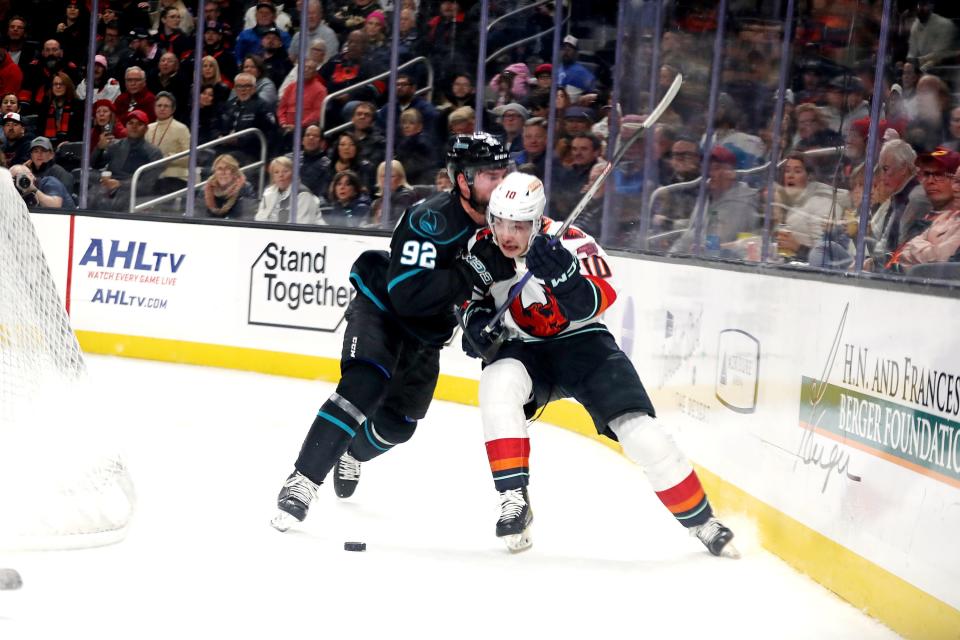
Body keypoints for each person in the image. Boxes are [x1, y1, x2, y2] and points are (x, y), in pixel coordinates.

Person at [458, 172, 737, 557]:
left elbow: (598, 301)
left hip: (583, 346)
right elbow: (470, 302)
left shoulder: (574, 243)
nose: (507, 234)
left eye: (518, 225)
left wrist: (566, 278)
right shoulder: (480, 248)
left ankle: (703, 521)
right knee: (497, 384)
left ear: (538, 221)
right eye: (500, 222)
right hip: (524, 349)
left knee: (641, 432)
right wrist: (475, 326)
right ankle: (513, 500)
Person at [270, 133, 514, 533]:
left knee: (398, 426)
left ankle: (351, 452)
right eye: (490, 175)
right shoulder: (431, 218)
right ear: (463, 180)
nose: (500, 184)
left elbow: (486, 297)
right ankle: (302, 480)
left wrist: (479, 322)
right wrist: (470, 272)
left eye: (503, 174)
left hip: (427, 336)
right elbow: (409, 297)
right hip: (384, 309)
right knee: (364, 384)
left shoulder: (503, 229)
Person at [146, 92, 191, 198]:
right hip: (151, 176)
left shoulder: (181, 128)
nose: (162, 108)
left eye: (166, 106)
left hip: (175, 176)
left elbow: (190, 156)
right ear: (154, 108)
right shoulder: (148, 128)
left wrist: (169, 158)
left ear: (173, 109)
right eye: (159, 105)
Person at [255, 155, 322, 224]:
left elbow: (302, 224)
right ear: (273, 176)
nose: (280, 175)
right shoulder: (268, 192)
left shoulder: (303, 194)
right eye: (276, 172)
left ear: (293, 174)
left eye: (285, 171)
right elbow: (259, 218)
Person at [198, 153, 257, 220]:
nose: (223, 172)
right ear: (215, 172)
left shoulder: (245, 188)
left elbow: (248, 216)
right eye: (219, 169)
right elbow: (199, 215)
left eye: (227, 169)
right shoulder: (206, 189)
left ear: (234, 172)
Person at [10, 163, 74, 208]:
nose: (18, 181)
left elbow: (55, 205)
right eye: (15, 179)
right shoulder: (14, 192)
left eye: (21, 176)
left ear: (32, 175)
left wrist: (33, 189)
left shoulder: (49, 181)